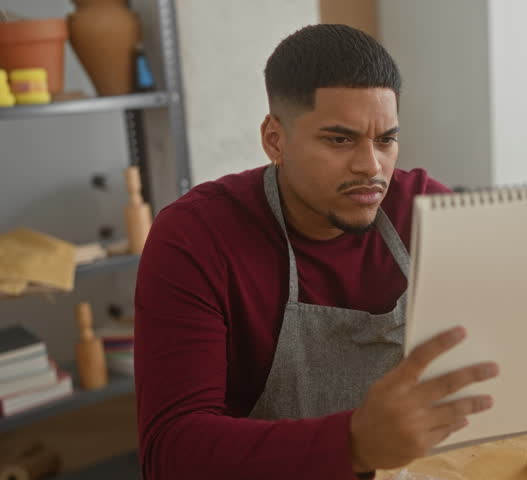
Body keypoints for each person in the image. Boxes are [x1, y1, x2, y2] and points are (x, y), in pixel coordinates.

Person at [134, 24, 499, 479]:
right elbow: (171, 453)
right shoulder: (195, 237)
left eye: (385, 139)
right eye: (339, 139)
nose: (371, 166)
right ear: (275, 140)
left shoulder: (427, 209)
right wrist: (353, 444)